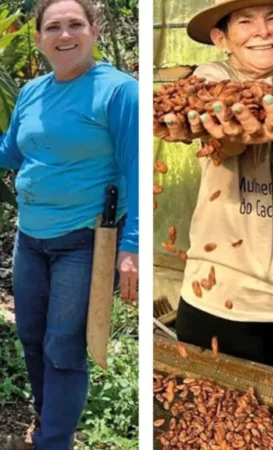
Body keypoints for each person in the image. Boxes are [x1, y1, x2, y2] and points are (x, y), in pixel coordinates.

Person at [0, 0, 139, 447]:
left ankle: (53, 442)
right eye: (54, 27)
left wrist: (131, 246)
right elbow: (12, 154)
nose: (65, 35)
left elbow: (137, 170)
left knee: (64, 347)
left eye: (75, 25)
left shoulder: (119, 91)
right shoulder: (32, 92)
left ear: (94, 31)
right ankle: (47, 423)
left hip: (83, 240)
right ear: (39, 38)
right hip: (30, 236)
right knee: (32, 337)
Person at [154, 0, 273, 374]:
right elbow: (225, 132)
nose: (263, 31)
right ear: (222, 38)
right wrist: (227, 133)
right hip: (216, 290)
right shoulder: (211, 76)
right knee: (205, 408)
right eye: (246, 21)